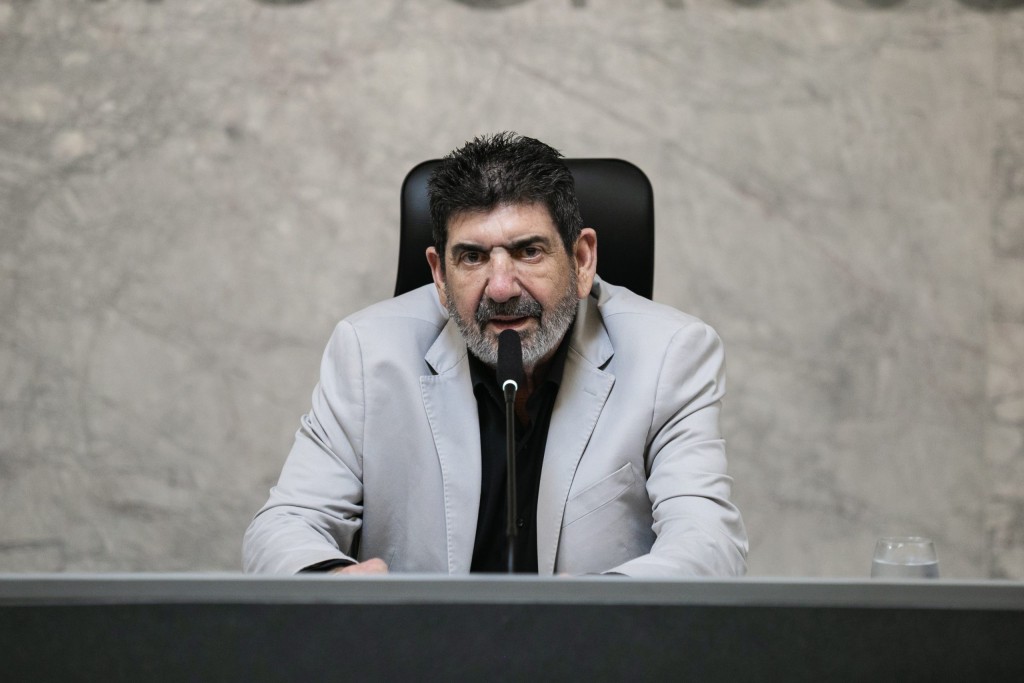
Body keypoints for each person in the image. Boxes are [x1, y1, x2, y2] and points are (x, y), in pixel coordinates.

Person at [243, 132, 747, 577]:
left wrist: (599, 605)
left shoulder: (670, 354)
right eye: (472, 257)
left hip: (589, 649)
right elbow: (284, 526)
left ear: (581, 260)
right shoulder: (367, 352)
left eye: (529, 251)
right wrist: (333, 579)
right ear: (440, 276)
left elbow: (709, 543)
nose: (501, 288)